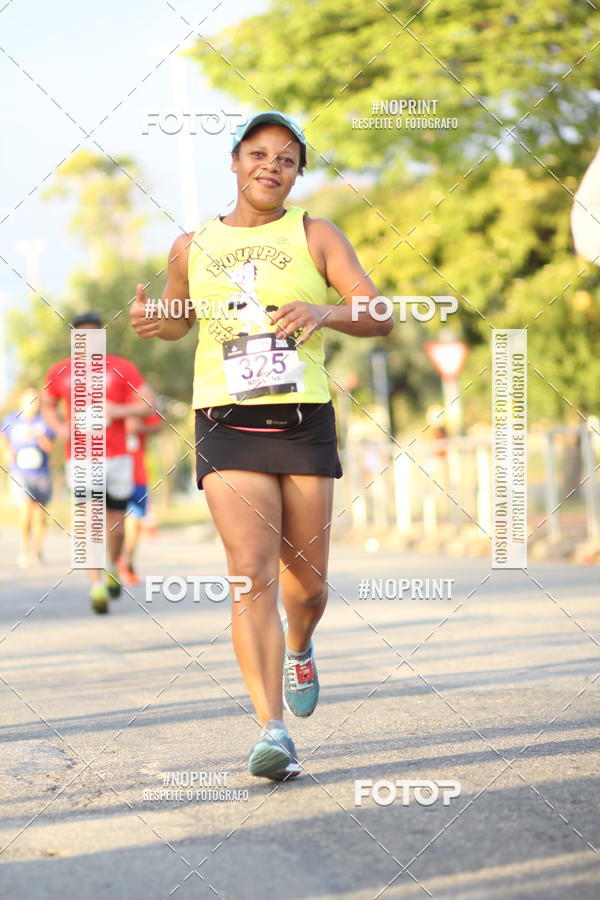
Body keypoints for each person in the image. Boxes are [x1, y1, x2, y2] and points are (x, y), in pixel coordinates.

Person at [131, 111, 392, 780]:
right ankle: (271, 729)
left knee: (306, 586)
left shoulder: (316, 235)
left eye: (285, 158)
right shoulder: (192, 245)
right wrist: (152, 321)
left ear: (297, 173)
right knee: (251, 573)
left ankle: (301, 644)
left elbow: (379, 313)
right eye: (259, 154)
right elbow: (177, 319)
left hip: (303, 420)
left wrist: (324, 311)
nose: (270, 166)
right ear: (236, 161)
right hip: (226, 421)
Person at [41, 311, 155, 614]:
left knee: (116, 529)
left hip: (117, 458)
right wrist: (59, 428)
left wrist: (115, 410)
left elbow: (148, 404)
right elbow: (47, 404)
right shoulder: (61, 371)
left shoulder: (121, 368)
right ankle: (96, 586)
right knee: (90, 522)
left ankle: (115, 567)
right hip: (80, 459)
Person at [1, 387, 55, 567]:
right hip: (19, 471)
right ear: (22, 402)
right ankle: (24, 548)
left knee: (39, 515)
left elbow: (51, 447)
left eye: (36, 400)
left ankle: (36, 551)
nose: (33, 404)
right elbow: (3, 436)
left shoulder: (45, 421)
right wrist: (7, 451)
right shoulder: (11, 419)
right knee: (25, 509)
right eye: (29, 400)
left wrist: (39, 436)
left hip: (41, 473)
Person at [118, 408, 163, 586]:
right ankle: (114, 561)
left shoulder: (137, 404)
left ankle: (127, 561)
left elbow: (158, 425)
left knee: (135, 521)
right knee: (113, 522)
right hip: (111, 474)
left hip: (137, 475)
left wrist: (140, 427)